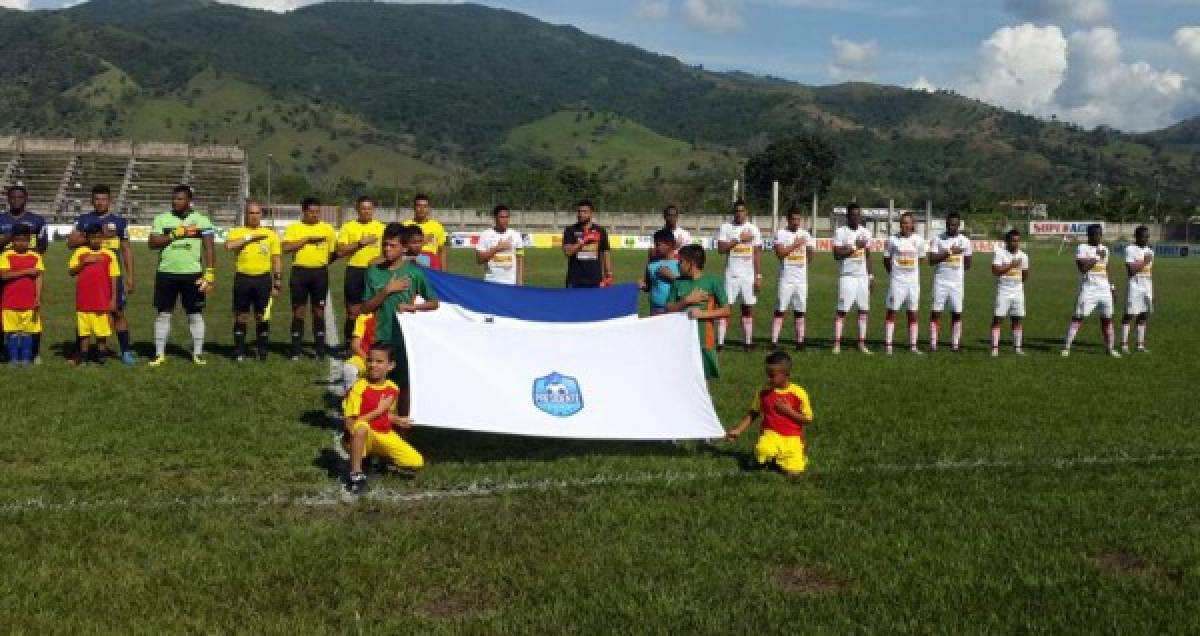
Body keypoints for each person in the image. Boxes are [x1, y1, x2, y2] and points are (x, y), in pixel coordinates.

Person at [360, 223, 440, 416]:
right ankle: (376, 423)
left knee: (404, 385)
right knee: (377, 384)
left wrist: (413, 307)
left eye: (392, 245)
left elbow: (434, 302)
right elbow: (365, 307)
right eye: (384, 245)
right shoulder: (373, 272)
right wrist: (387, 291)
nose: (387, 249)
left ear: (404, 248)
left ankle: (402, 424)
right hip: (381, 337)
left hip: (404, 340)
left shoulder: (413, 273)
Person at [336, 343, 424, 498]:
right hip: (358, 436)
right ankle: (356, 474)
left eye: (379, 362)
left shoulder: (393, 388)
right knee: (362, 427)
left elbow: (385, 415)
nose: (372, 365)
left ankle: (378, 459)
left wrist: (397, 420)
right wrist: (378, 410)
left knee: (416, 462)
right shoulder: (359, 387)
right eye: (370, 360)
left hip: (382, 434)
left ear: (390, 366)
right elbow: (350, 423)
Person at [147, 185, 215, 366]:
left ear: (189, 200)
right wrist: (174, 235)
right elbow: (152, 243)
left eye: (180, 199)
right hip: (166, 273)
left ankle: (198, 353)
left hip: (192, 274)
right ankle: (159, 353)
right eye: (174, 198)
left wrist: (210, 273)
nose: (175, 201)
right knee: (163, 314)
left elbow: (209, 247)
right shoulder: (162, 219)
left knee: (195, 314)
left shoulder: (201, 220)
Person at [68, 185, 136, 365]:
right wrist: (95, 236)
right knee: (85, 313)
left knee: (117, 312)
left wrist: (130, 276)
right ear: (92, 201)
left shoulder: (120, 222)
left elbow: (126, 249)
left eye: (103, 199)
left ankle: (125, 351)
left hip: (113, 277)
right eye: (96, 199)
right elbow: (70, 242)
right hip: (89, 279)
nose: (100, 202)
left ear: (110, 201)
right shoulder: (83, 220)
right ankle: (80, 352)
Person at [725, 350, 814, 477]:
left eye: (772, 375)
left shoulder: (799, 393)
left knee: (793, 473)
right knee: (763, 450)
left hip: (791, 437)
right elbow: (754, 413)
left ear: (786, 374)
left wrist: (788, 411)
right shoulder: (764, 391)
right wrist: (738, 430)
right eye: (767, 374)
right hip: (770, 434)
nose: (768, 378)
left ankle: (796, 454)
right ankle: (770, 458)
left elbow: (808, 419)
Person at [225, 201, 282, 361]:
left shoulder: (270, 234)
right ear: (246, 215)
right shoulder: (237, 231)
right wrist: (250, 237)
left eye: (257, 213)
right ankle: (239, 351)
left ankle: (262, 351)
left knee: (261, 316)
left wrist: (277, 280)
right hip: (243, 278)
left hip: (263, 279)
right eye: (251, 213)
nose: (254, 216)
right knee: (241, 316)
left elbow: (276, 258)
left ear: (261, 215)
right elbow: (229, 246)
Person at [282, 197, 337, 360]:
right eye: (311, 212)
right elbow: (285, 248)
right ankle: (296, 350)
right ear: (304, 211)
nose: (314, 215)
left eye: (317, 212)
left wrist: (322, 263)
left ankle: (320, 351)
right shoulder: (294, 228)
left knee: (319, 311)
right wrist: (306, 240)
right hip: (299, 273)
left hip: (319, 273)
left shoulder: (327, 229)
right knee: (299, 311)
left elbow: (334, 252)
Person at [666, 244, 730, 381]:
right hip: (681, 340)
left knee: (703, 381)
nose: (678, 265)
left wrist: (702, 314)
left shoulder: (713, 282)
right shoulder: (677, 283)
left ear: (692, 263)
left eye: (681, 261)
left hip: (704, 341)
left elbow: (726, 310)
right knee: (682, 379)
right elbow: (668, 309)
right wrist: (686, 301)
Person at [0, 185, 49, 364]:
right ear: (8, 199)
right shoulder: (1, 219)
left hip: (28, 274)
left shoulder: (37, 220)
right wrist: (10, 238)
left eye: (20, 197)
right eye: (12, 197)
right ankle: (5, 351)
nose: (16, 200)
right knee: (5, 313)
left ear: (25, 198)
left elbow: (43, 245)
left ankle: (33, 352)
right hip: (3, 268)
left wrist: (24, 255)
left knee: (32, 313)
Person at [1062, 224, 1119, 357]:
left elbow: (1106, 269)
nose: (1099, 237)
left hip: (1104, 289)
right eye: (1096, 234)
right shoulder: (1082, 248)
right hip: (1089, 289)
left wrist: (1112, 287)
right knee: (1078, 317)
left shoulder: (1104, 249)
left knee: (1107, 318)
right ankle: (1067, 347)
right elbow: (1083, 268)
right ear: (1089, 235)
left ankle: (1110, 349)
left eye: (1100, 234)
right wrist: (1097, 257)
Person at [336, 196, 386, 345]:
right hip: (354, 271)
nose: (366, 211)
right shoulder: (348, 227)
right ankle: (348, 345)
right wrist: (360, 243)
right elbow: (340, 251)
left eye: (369, 208)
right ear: (357, 210)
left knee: (375, 311)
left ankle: (373, 344)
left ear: (374, 210)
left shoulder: (381, 228)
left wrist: (378, 262)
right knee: (353, 313)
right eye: (363, 208)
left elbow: (388, 250)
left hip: (376, 272)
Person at [714, 200, 762, 351]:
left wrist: (758, 276)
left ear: (747, 212)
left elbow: (757, 253)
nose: (739, 213)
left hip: (748, 276)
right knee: (725, 308)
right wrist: (738, 240)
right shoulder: (726, 227)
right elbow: (721, 249)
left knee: (747, 308)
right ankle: (720, 343)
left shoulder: (753, 229)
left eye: (742, 211)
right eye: (737, 211)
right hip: (731, 275)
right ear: (734, 213)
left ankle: (747, 343)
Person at [68, 225, 120, 365]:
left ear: (103, 238)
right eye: (92, 237)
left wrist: (114, 298)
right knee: (84, 331)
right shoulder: (80, 252)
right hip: (83, 299)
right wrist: (84, 263)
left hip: (102, 299)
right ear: (87, 238)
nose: (96, 240)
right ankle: (84, 356)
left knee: (101, 330)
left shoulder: (109, 254)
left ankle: (101, 355)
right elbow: (71, 271)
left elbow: (114, 277)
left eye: (98, 237)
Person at [928, 212, 974, 352]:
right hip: (940, 281)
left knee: (957, 313)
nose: (951, 226)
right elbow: (931, 260)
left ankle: (955, 345)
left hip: (957, 283)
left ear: (958, 225)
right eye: (949, 224)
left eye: (954, 224)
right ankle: (933, 344)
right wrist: (949, 253)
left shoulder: (965, 241)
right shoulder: (938, 239)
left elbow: (967, 263)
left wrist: (956, 273)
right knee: (936, 312)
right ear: (946, 224)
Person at [832, 203, 874, 354]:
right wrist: (854, 247)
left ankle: (861, 343)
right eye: (853, 215)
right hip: (847, 277)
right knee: (842, 310)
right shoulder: (840, 232)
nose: (856, 217)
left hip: (862, 277)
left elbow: (868, 256)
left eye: (858, 214)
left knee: (863, 310)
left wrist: (871, 276)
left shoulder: (866, 233)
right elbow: (837, 255)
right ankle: (837, 343)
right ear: (847, 216)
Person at [882, 213, 926, 355]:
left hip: (913, 283)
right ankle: (889, 345)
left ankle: (913, 346)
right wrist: (895, 274)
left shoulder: (919, 240)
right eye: (902, 223)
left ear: (913, 224)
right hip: (897, 282)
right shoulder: (892, 240)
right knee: (892, 312)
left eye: (907, 223)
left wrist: (909, 272)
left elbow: (921, 259)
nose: (905, 226)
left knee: (912, 313)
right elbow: (886, 259)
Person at [771, 207, 814, 351]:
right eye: (793, 219)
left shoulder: (805, 234)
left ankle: (800, 342)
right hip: (786, 279)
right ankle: (774, 342)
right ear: (788, 219)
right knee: (780, 310)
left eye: (798, 219)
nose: (796, 222)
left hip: (801, 280)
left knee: (800, 311)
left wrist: (805, 257)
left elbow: (810, 254)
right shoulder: (781, 234)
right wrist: (795, 244)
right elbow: (780, 253)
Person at [0, 225, 43, 366]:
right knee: (11, 332)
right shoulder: (6, 255)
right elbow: (3, 275)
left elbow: (38, 278)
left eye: (24, 240)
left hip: (29, 302)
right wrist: (26, 271)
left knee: (27, 332)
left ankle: (25, 359)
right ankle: (13, 358)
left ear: (29, 240)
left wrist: (37, 297)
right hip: (10, 301)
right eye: (17, 240)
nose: (21, 243)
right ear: (12, 240)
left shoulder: (35, 256)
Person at [990, 229, 1029, 357]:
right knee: (998, 318)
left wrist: (1016, 281)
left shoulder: (1024, 256)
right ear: (1007, 241)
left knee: (1017, 319)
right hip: (1004, 290)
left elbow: (1025, 275)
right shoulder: (1000, 253)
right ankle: (994, 348)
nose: (1015, 243)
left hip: (1018, 291)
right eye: (1013, 241)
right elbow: (995, 271)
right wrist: (1011, 265)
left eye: (1017, 241)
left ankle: (1017, 348)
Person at [561, 199, 613, 288]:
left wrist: (609, 275)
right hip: (575, 280)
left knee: (595, 302)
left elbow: (606, 253)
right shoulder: (570, 230)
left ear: (591, 213)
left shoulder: (600, 231)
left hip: (595, 280)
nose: (581, 214)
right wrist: (584, 240)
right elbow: (568, 252)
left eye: (585, 212)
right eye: (579, 211)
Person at [1121, 225, 1153, 354]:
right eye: (1143, 236)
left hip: (1147, 287)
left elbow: (1150, 272)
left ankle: (1140, 345)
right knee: (1129, 315)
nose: (1146, 239)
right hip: (1134, 287)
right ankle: (1124, 344)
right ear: (1136, 236)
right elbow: (1130, 270)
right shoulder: (1130, 249)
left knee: (1143, 315)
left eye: (1147, 237)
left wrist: (1152, 291)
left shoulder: (1150, 251)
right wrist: (1144, 262)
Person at [476, 205, 524, 285]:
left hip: (510, 284)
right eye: (501, 217)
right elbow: (479, 260)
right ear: (495, 218)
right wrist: (497, 249)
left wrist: (520, 283)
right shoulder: (485, 235)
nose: (505, 220)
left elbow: (520, 260)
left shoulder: (516, 235)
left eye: (507, 217)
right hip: (491, 283)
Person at [403, 194, 448, 271]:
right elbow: (401, 248)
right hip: (412, 263)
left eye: (425, 206)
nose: (422, 209)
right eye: (419, 206)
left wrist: (444, 273)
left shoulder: (437, 226)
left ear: (428, 209)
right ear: (414, 208)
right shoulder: (405, 225)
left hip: (433, 265)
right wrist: (423, 241)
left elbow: (442, 251)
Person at [642, 228, 680, 316]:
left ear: (670, 244)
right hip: (655, 311)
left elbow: (687, 286)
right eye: (655, 244)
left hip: (674, 312)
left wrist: (671, 277)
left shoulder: (680, 264)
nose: (655, 248)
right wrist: (642, 285)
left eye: (658, 245)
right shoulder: (651, 265)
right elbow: (648, 286)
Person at [340, 311, 376, 396]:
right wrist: (369, 361)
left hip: (386, 360)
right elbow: (355, 345)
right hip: (365, 357)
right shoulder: (364, 317)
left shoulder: (394, 316)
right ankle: (352, 401)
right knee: (349, 369)